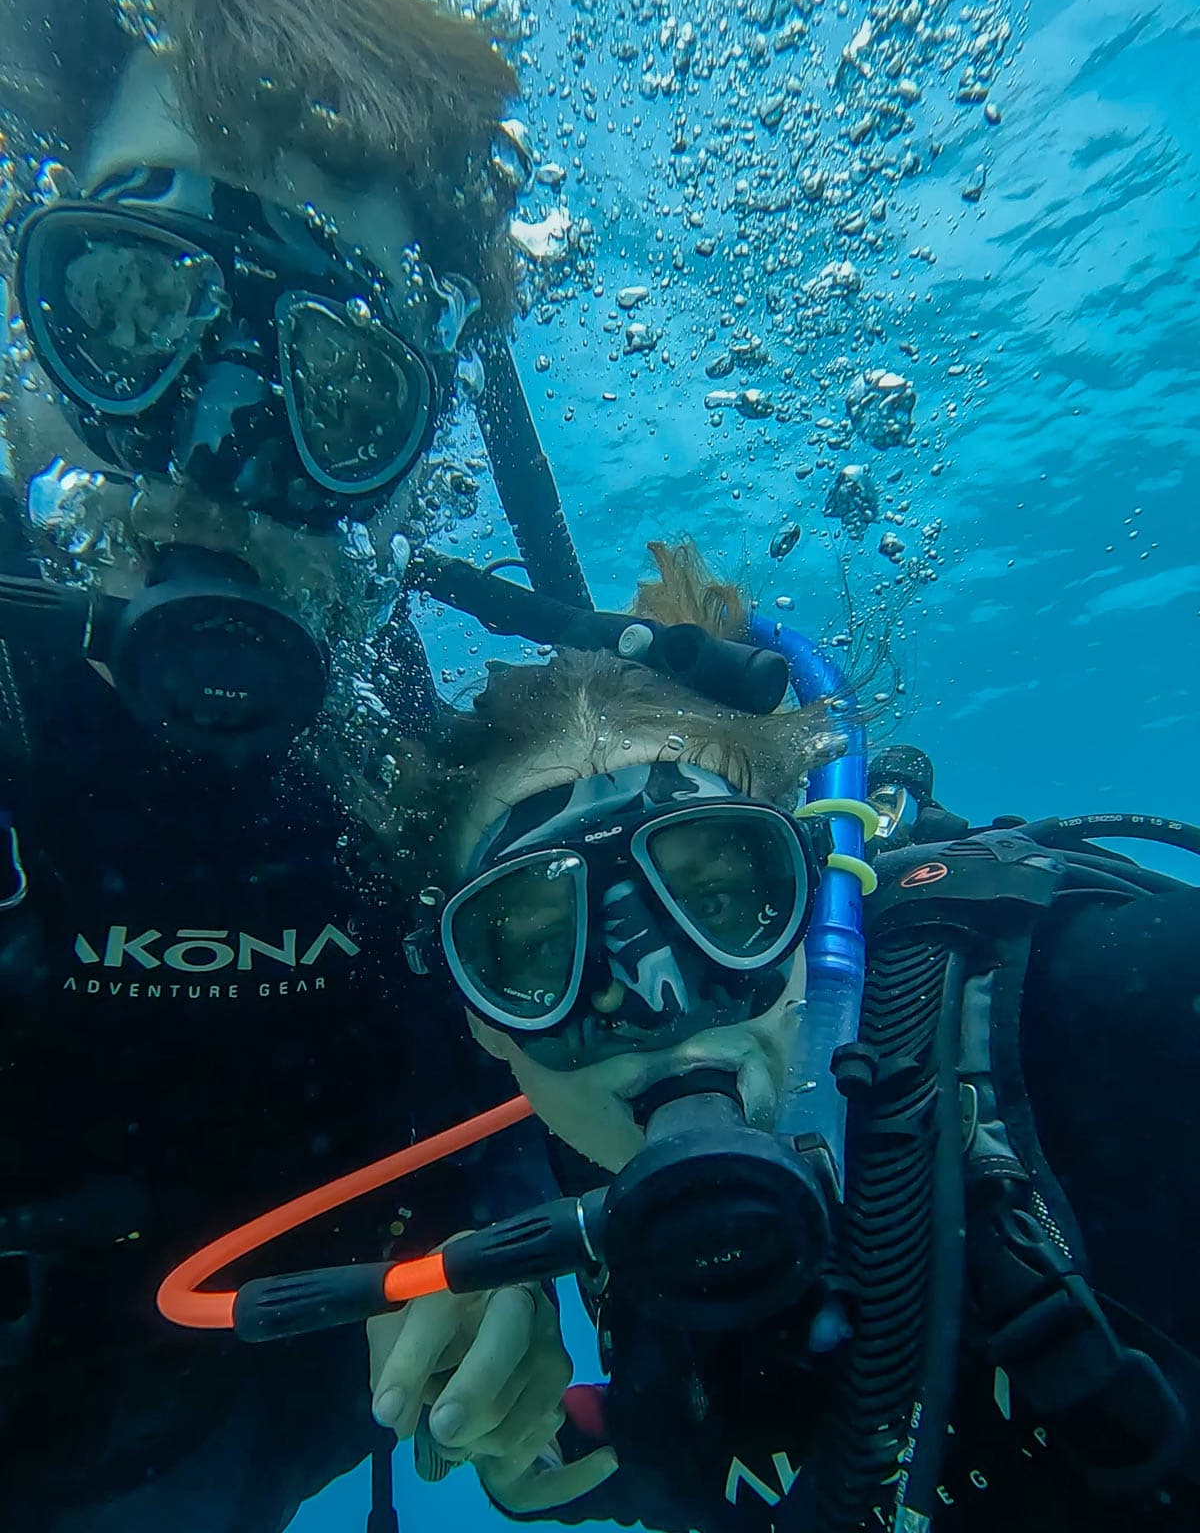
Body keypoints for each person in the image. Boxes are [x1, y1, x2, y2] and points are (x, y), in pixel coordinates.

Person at [0, 0, 562, 1529]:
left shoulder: (399, 793)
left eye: (335, 386)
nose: (217, 448)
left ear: (412, 452)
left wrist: (501, 1253)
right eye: (134, 304)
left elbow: (494, 1084)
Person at [366, 540, 1200, 1533]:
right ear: (482, 1022)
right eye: (542, 957)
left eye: (721, 896)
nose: (657, 997)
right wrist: (560, 1439)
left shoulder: (1095, 1015)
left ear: (818, 903)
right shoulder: (573, 1192)